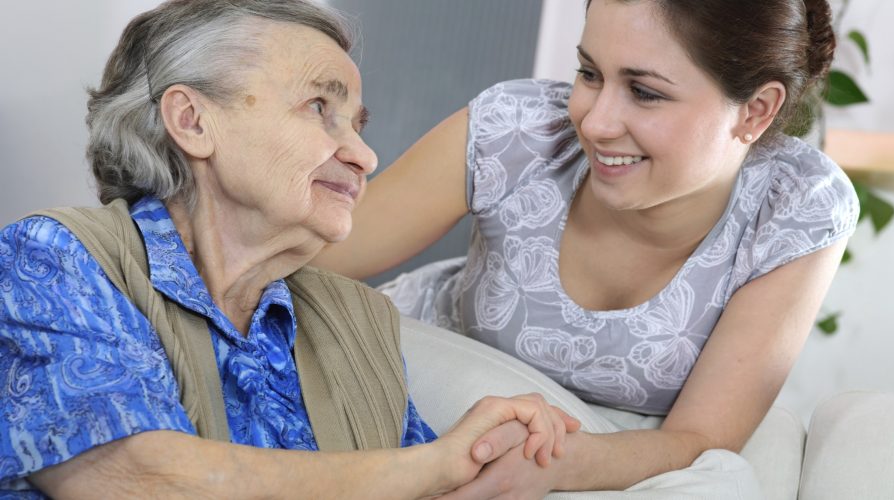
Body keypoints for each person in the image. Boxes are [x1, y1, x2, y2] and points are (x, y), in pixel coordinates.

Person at [0, 1, 580, 498]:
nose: (364, 156)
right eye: (319, 108)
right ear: (192, 120)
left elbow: (410, 484)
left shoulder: (360, 320)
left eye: (358, 124)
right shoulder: (56, 258)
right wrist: (432, 465)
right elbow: (133, 480)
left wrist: (488, 458)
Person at [313, 0, 859, 496]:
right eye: (589, 74)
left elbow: (698, 439)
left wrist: (552, 464)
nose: (594, 123)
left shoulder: (797, 208)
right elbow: (303, 255)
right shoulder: (517, 129)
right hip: (425, 381)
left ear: (756, 110)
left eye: (645, 92)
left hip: (598, 449)